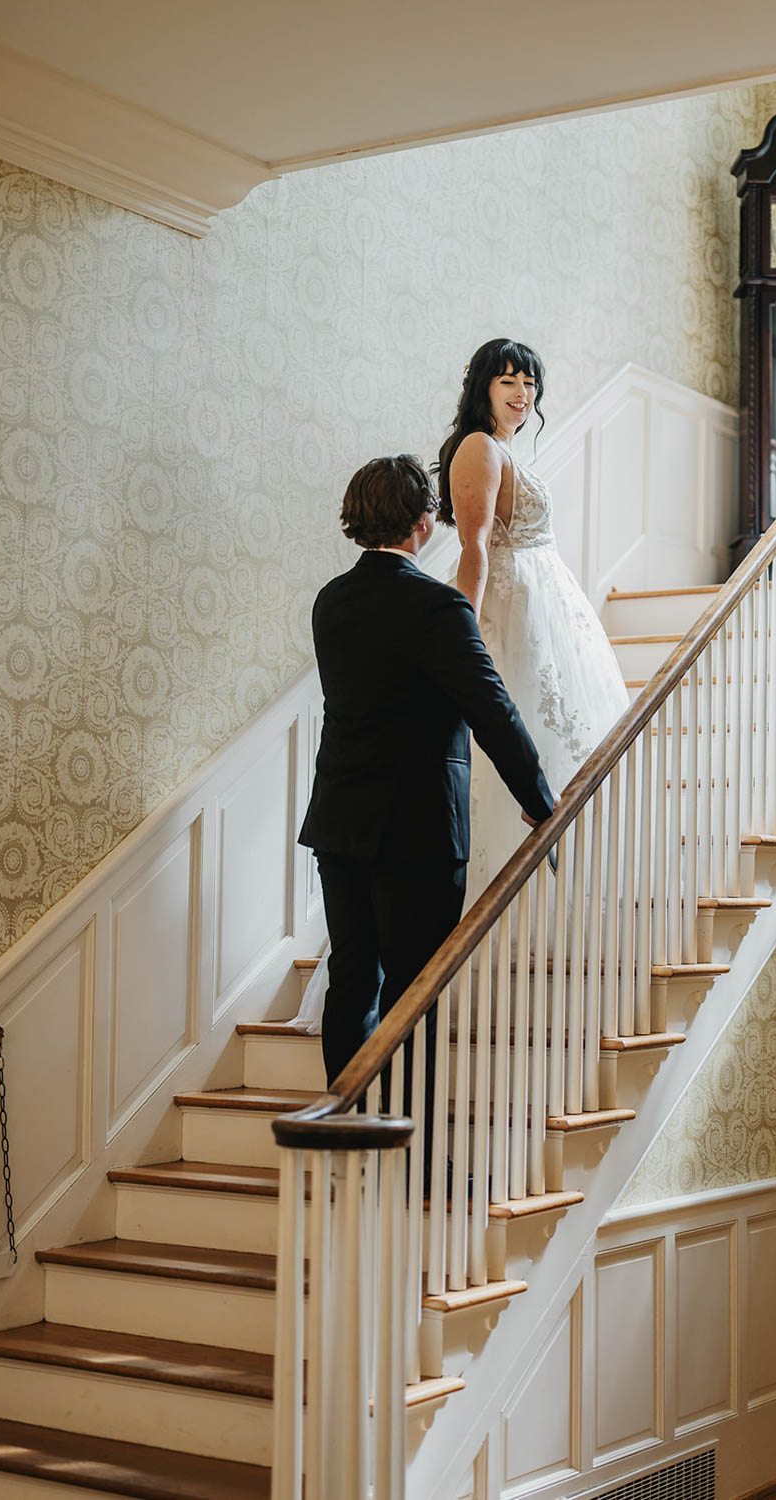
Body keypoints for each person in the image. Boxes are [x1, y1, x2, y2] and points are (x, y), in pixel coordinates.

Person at [296, 455, 555, 1114]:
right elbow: (489, 707)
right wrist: (539, 800)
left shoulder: (332, 601)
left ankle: (345, 1133)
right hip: (417, 828)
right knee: (416, 991)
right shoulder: (435, 605)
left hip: (341, 819)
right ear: (424, 522)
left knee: (351, 980)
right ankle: (412, 1152)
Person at [435, 339, 629, 894]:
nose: (523, 394)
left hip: (545, 614)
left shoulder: (505, 449)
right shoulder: (479, 448)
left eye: (529, 383)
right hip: (513, 612)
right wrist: (461, 633)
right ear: (483, 390)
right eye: (508, 382)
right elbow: (473, 550)